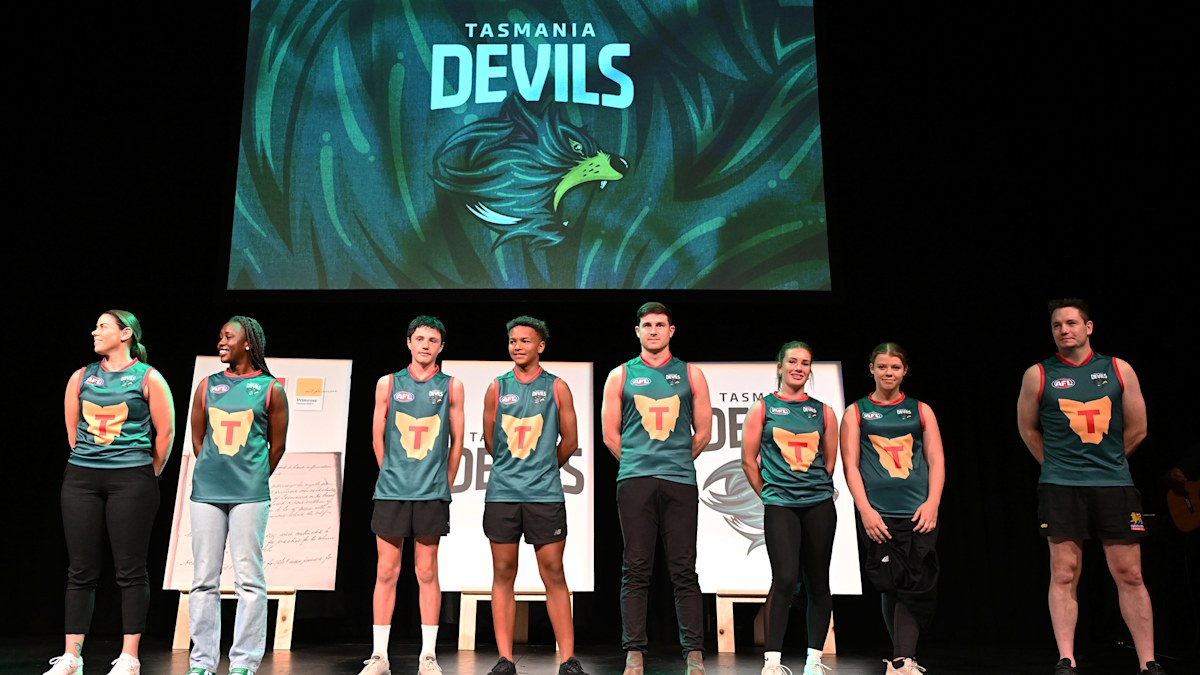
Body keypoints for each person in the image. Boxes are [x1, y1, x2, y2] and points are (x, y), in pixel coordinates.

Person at [1016, 298, 1166, 675]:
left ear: (1088, 327)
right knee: (1064, 572)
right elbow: (1027, 428)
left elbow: (1139, 428)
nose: (1063, 330)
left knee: (1130, 573)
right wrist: (1055, 464)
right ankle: (1066, 659)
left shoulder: (1118, 369)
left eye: (1071, 323)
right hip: (1060, 487)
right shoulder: (1038, 374)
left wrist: (1109, 461)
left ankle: (1147, 661)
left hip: (1114, 484)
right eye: (1056, 325)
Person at [45, 310, 176, 675]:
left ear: (125, 334)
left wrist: (145, 473)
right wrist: (90, 462)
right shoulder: (81, 376)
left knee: (130, 569)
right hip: (82, 479)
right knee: (80, 569)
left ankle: (129, 657)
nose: (94, 332)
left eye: (102, 326)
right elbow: (72, 430)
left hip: (131, 479)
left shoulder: (148, 377)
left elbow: (165, 434)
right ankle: (72, 657)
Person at [601, 302, 712, 675]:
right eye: (647, 325)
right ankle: (634, 651)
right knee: (636, 567)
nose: (653, 331)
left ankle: (693, 652)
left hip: (679, 481)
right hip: (635, 482)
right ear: (637, 331)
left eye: (660, 325)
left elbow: (703, 432)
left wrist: (674, 461)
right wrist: (638, 463)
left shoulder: (691, 374)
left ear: (671, 331)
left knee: (684, 569)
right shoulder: (620, 375)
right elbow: (610, 434)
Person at [481, 316, 588, 675]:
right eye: (513, 340)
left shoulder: (557, 387)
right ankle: (504, 659)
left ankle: (568, 659)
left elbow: (570, 441)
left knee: (553, 571)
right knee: (502, 571)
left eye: (525, 341)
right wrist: (513, 470)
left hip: (545, 494)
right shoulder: (497, 387)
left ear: (540, 346)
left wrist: (543, 467)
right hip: (503, 494)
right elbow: (491, 441)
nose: (517, 346)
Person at [359, 316, 464, 675]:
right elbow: (377, 435)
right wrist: (389, 472)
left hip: (431, 492)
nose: (425, 345)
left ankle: (428, 656)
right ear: (409, 342)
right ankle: (379, 656)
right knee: (386, 570)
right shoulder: (388, 383)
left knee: (426, 570)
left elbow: (457, 441)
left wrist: (445, 483)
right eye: (420, 339)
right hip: (392, 491)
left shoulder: (451, 386)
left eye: (432, 340)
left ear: (441, 347)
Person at [186, 316, 289, 675]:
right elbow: (198, 439)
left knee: (248, 578)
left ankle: (244, 662)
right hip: (206, 493)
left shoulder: (271, 388)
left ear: (248, 343)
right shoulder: (207, 385)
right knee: (203, 579)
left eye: (228, 336)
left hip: (249, 495)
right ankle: (202, 662)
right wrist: (215, 470)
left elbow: (277, 446)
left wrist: (251, 477)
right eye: (220, 336)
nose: (221, 342)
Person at [840, 342, 944, 675]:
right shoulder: (856, 412)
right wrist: (865, 510)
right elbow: (850, 465)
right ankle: (903, 658)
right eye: (882, 366)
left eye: (895, 367)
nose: (889, 373)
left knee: (914, 584)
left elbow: (936, 459)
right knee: (891, 583)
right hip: (879, 514)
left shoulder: (921, 410)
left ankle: (902, 659)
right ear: (871, 369)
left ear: (905, 371)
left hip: (917, 512)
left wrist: (932, 503)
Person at [741, 341, 838, 675]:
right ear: (780, 366)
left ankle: (814, 660)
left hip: (819, 504)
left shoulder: (824, 411)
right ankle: (772, 662)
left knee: (818, 581)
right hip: (780, 505)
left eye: (805, 363)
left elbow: (829, 463)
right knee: (784, 578)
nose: (799, 368)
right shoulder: (762, 408)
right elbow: (748, 460)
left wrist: (812, 490)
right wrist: (769, 494)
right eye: (793, 361)